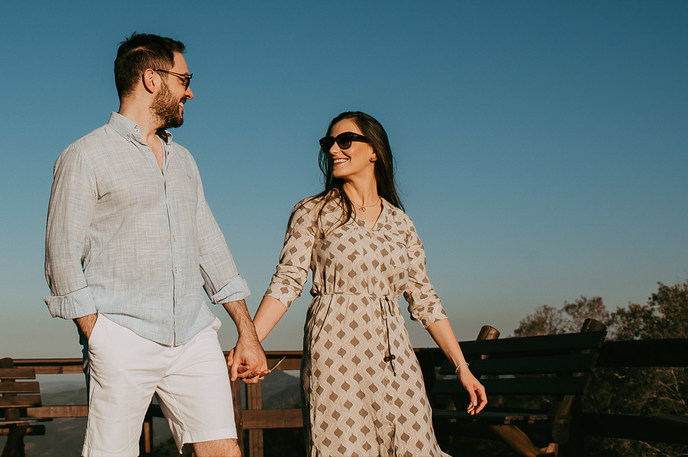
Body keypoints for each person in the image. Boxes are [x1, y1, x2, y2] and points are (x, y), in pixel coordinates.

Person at [45, 33, 267, 457]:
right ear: (151, 78)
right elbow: (61, 257)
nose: (191, 90)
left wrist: (247, 331)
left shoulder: (184, 160)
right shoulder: (85, 156)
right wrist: (99, 336)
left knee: (224, 450)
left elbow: (210, 245)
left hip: (194, 336)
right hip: (121, 335)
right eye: (184, 78)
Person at [235, 111, 487, 456]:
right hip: (336, 356)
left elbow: (425, 300)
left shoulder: (401, 223)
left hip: (396, 357)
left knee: (415, 445)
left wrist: (463, 368)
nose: (334, 150)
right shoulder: (313, 211)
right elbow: (287, 281)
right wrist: (250, 341)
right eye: (329, 143)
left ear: (374, 151)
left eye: (345, 140)